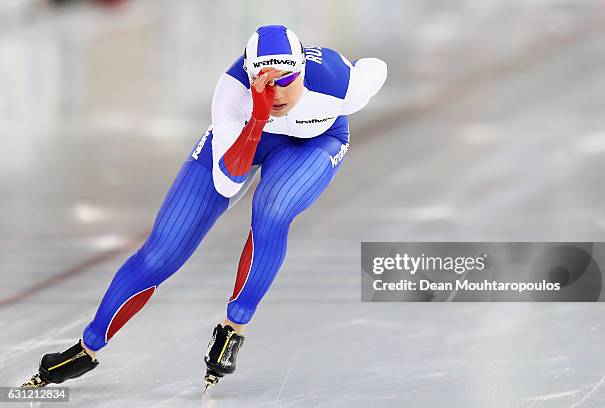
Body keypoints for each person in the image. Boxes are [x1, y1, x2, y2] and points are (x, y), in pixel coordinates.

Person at [21, 24, 387, 391]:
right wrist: (258, 117)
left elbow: (376, 67)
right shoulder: (233, 92)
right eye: (265, 82)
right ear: (250, 76)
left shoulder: (342, 84)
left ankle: (234, 327)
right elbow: (229, 181)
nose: (275, 93)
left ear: (303, 72)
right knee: (161, 252)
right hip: (247, 136)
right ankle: (87, 347)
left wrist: (341, 71)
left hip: (315, 143)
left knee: (273, 207)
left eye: (286, 80)